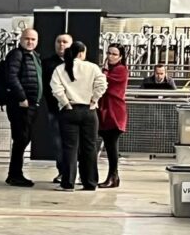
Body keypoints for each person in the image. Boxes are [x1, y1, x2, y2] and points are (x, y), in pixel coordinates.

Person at [50, 41, 107, 192]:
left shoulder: (60, 69)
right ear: (82, 53)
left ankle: (68, 183)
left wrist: (65, 103)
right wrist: (94, 99)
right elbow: (102, 84)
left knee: (70, 148)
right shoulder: (92, 67)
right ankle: (90, 182)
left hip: (69, 111)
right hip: (89, 111)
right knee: (89, 147)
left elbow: (56, 89)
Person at [0, 28, 42, 188]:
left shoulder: (34, 56)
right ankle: (15, 175)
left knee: (24, 138)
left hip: (30, 104)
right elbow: (11, 77)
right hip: (20, 105)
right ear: (21, 39)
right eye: (27, 38)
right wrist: (21, 97)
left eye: (33, 39)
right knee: (21, 138)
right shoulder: (16, 55)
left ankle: (15, 173)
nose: (30, 42)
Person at [43, 34, 73, 186]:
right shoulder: (47, 63)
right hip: (55, 110)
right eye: (58, 42)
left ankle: (74, 173)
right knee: (58, 142)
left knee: (74, 143)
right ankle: (62, 171)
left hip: (74, 110)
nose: (61, 44)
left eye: (65, 42)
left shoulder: (78, 63)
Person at [98, 43, 130, 189]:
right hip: (105, 110)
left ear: (120, 57)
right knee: (107, 144)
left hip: (115, 111)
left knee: (111, 145)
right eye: (108, 53)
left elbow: (105, 83)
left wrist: (104, 70)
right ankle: (112, 176)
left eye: (114, 54)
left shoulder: (121, 70)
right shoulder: (108, 69)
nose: (110, 56)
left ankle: (113, 176)